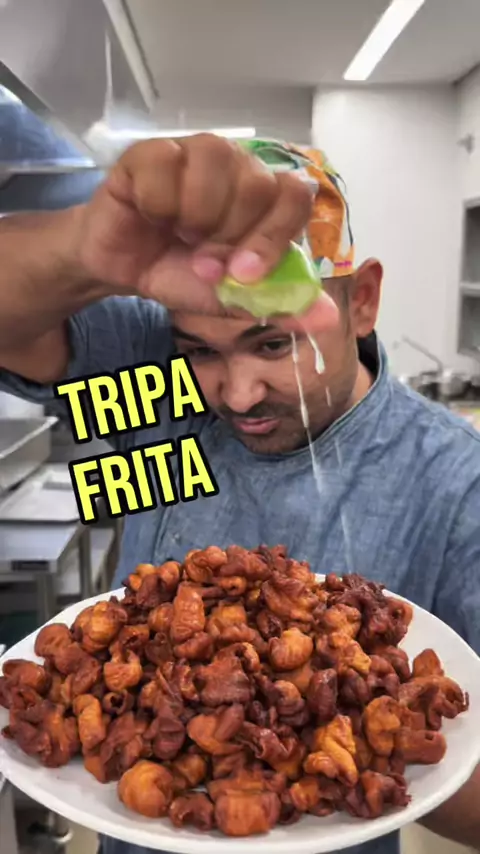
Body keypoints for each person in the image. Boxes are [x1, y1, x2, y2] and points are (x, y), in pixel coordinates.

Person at [0, 133, 479, 854]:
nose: (238, 394)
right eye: (201, 350)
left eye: (274, 344)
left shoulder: (454, 479)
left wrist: (374, 738)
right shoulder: (152, 380)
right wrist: (80, 249)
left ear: (362, 301)